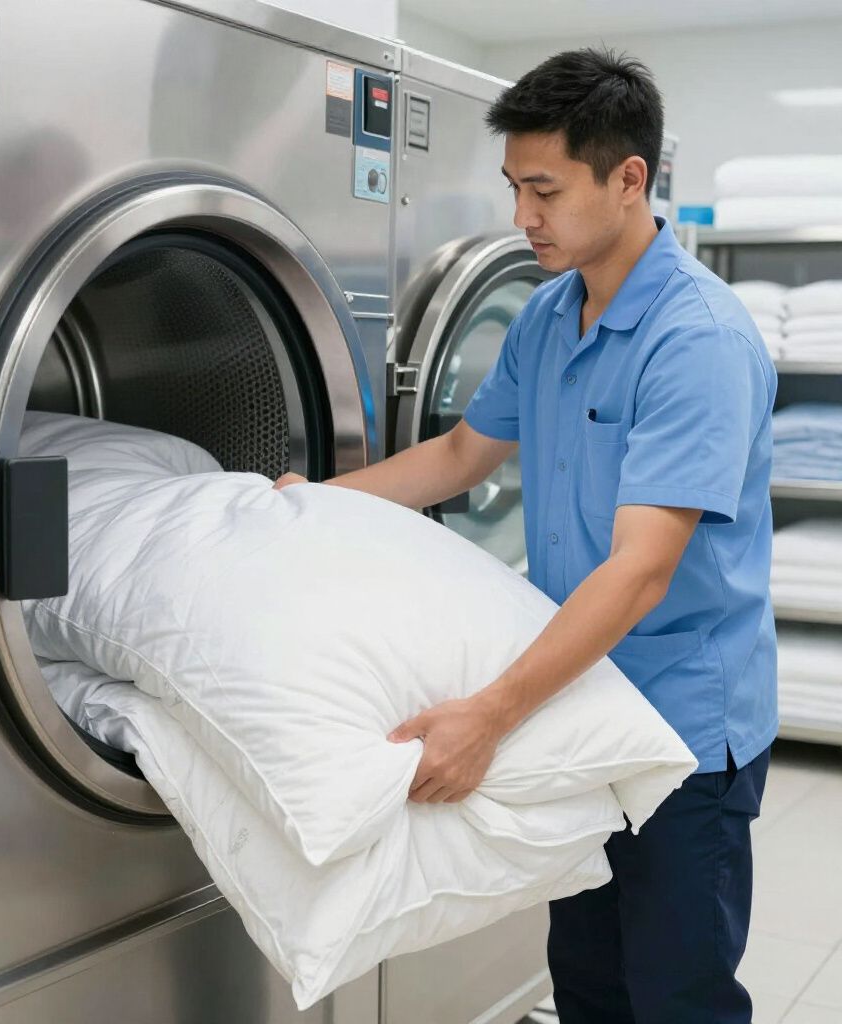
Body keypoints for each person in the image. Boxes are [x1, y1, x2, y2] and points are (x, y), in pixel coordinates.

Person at [274, 47, 778, 1024]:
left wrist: (489, 714)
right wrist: (314, 502)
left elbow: (639, 570)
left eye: (543, 190)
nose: (522, 218)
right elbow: (462, 452)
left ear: (628, 180)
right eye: (514, 188)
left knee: (678, 996)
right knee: (587, 980)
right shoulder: (548, 316)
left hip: (681, 728)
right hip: (573, 696)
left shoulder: (697, 342)